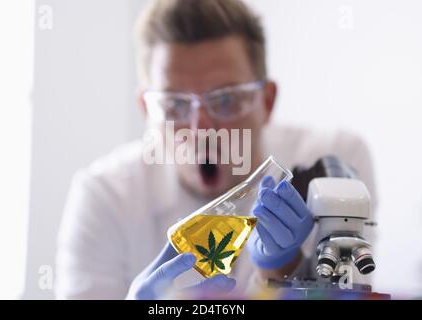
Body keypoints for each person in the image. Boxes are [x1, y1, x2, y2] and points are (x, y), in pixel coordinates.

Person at [55, 0, 376, 299]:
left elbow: (345, 286)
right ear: (146, 110)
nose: (201, 129)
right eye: (174, 104)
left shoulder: (335, 165)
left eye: (226, 100)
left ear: (266, 101)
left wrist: (283, 268)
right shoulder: (104, 197)